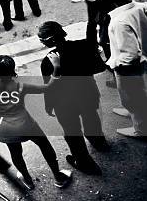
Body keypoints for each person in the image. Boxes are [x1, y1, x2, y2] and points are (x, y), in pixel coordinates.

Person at [0, 55, 73, 189]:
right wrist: (56, 68)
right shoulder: (20, 86)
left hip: (6, 129)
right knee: (45, 145)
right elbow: (47, 88)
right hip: (26, 125)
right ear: (13, 69)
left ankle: (28, 181)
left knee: (16, 154)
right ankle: (58, 177)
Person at [38, 21, 109, 175]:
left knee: (72, 133)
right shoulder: (82, 45)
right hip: (88, 94)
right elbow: (97, 63)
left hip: (65, 105)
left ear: (47, 41)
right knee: (91, 117)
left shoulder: (47, 61)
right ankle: (99, 142)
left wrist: (48, 106)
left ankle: (85, 163)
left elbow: (49, 88)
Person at [100, 0, 147, 137]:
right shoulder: (141, 7)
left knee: (131, 98)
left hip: (128, 69)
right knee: (138, 94)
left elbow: (130, 53)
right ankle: (134, 111)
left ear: (111, 1)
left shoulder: (119, 22)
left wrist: (119, 67)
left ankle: (141, 128)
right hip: (142, 63)